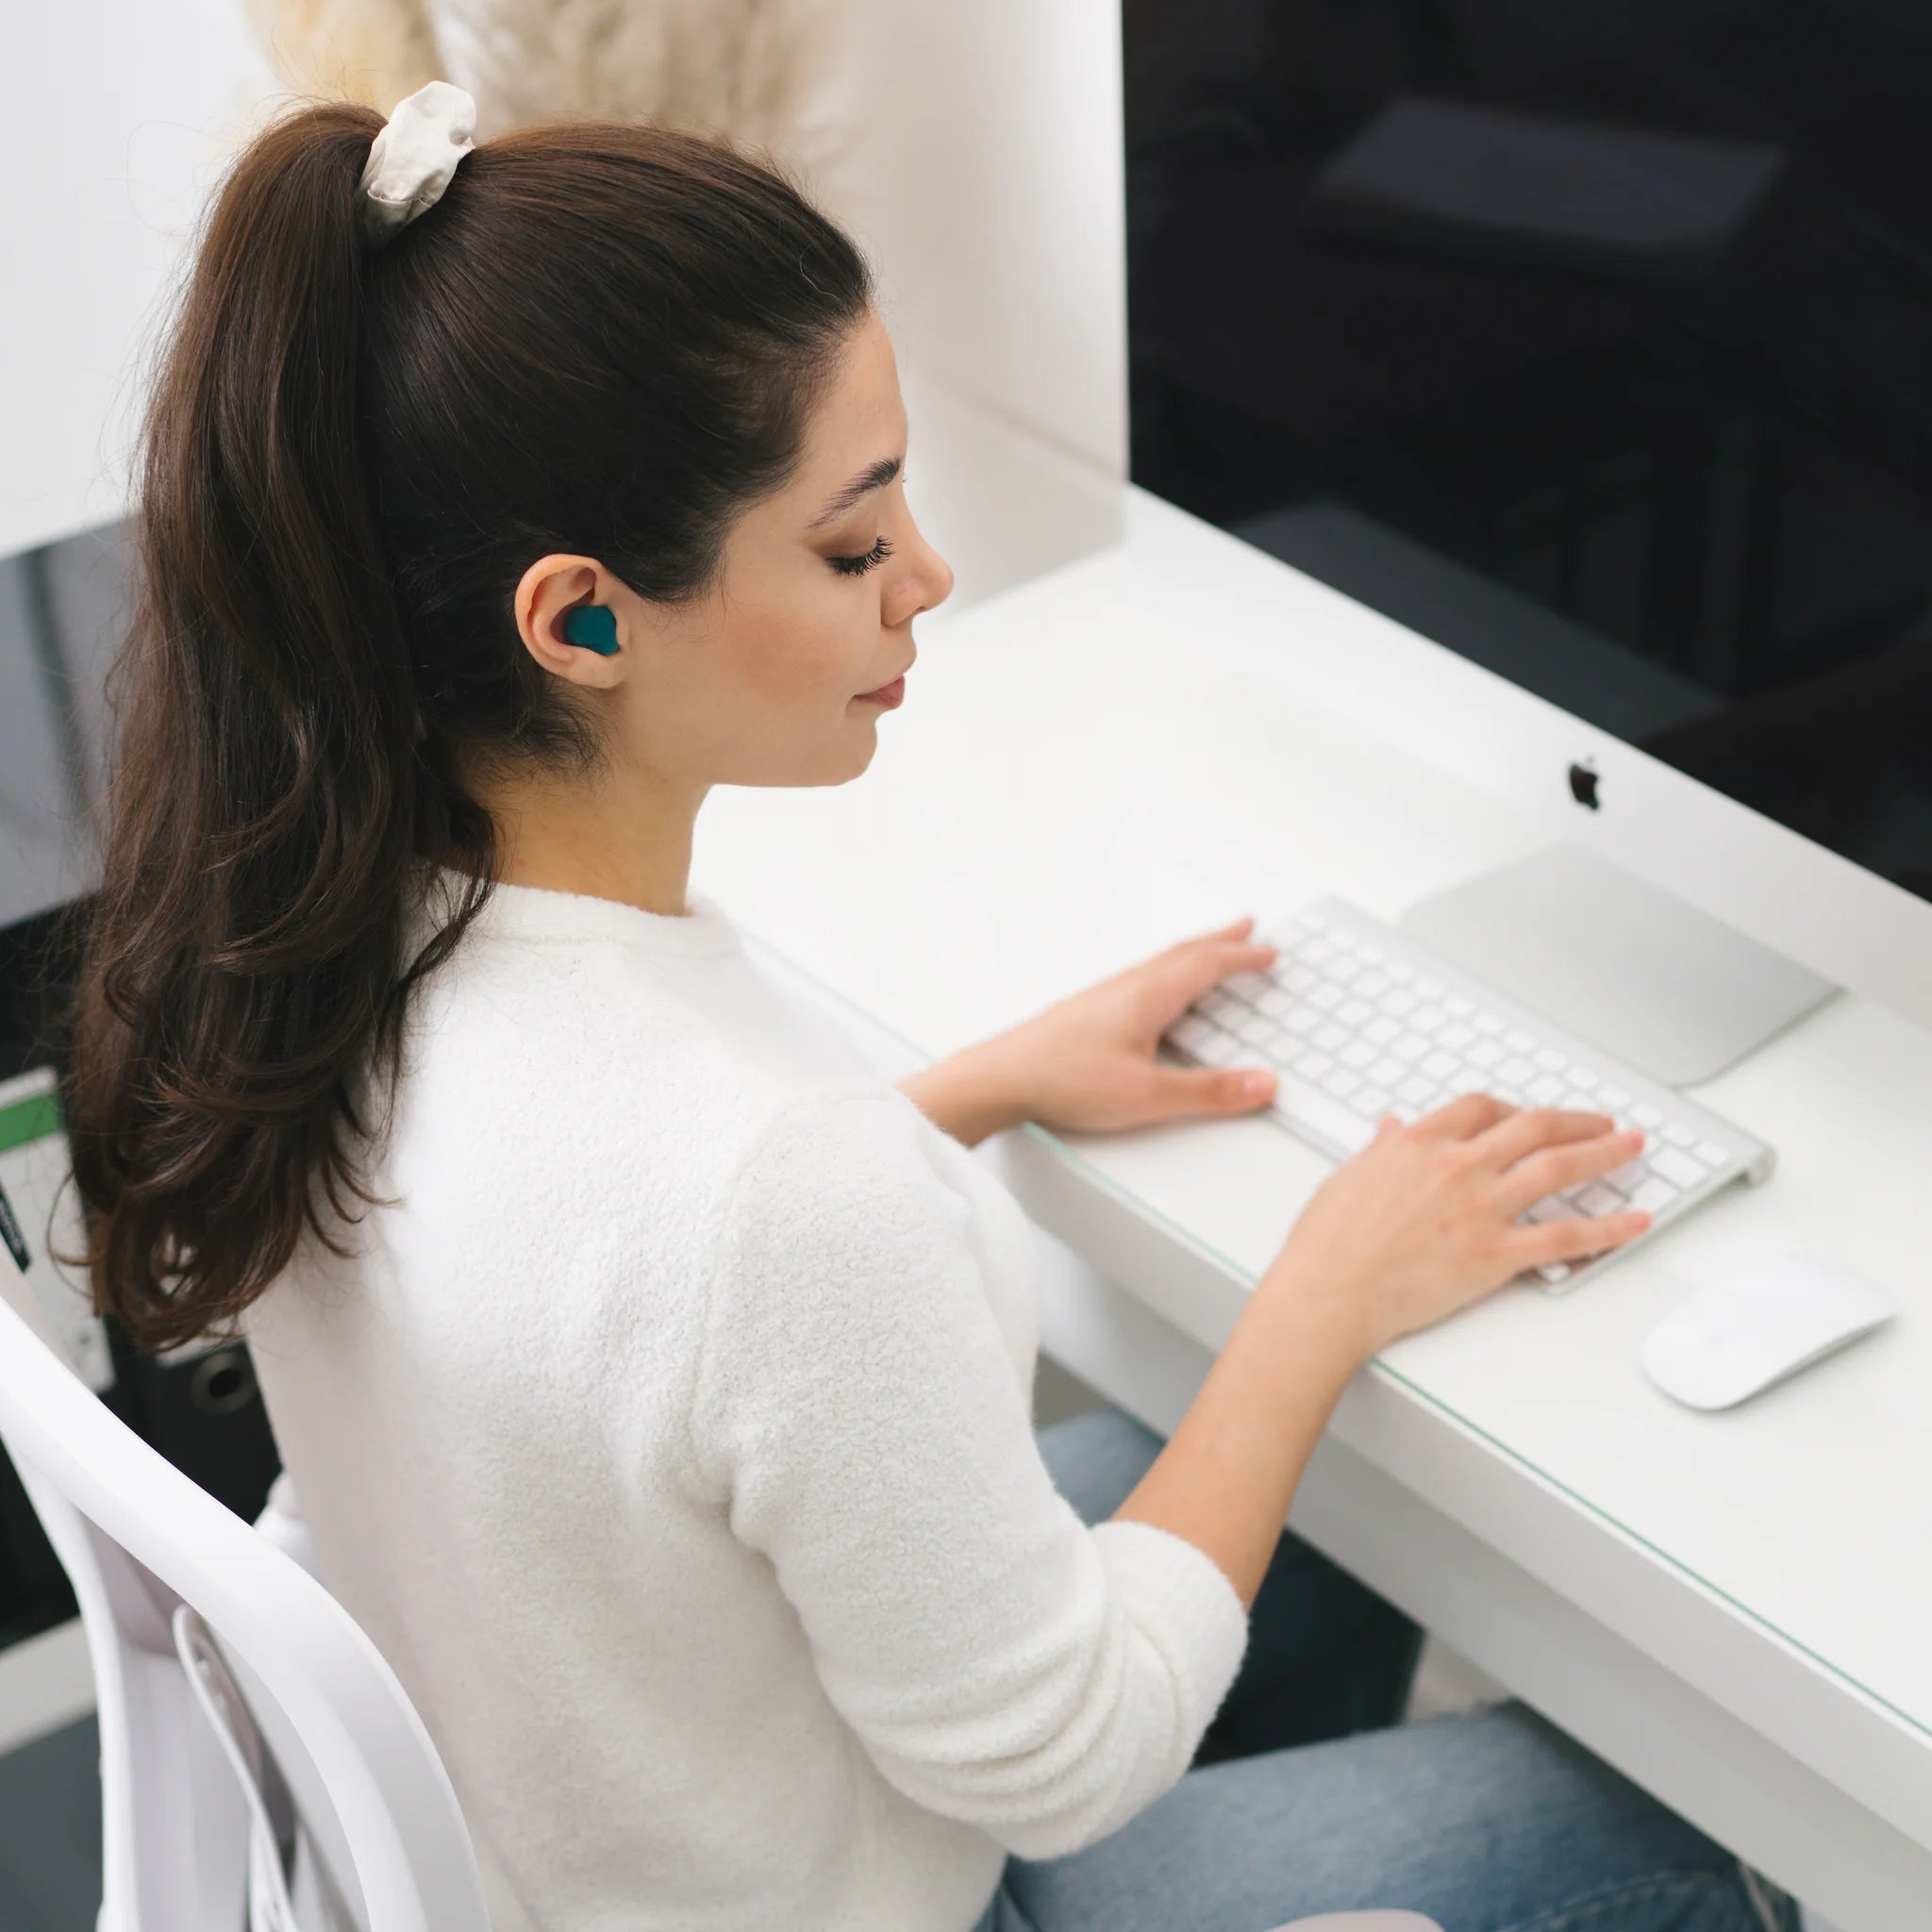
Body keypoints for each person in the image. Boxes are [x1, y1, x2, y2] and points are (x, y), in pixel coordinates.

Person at [64, 83, 1795, 1932]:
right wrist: (1317, 1292)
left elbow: (618, 1277)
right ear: (577, 622)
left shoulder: (320, 949)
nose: (931, 580)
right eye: (848, 542)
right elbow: (1057, 1756)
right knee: (1705, 1825)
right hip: (872, 1881)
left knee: (1339, 1513)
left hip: (601, 1813)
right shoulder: (771, 1180)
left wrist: (963, 1088)